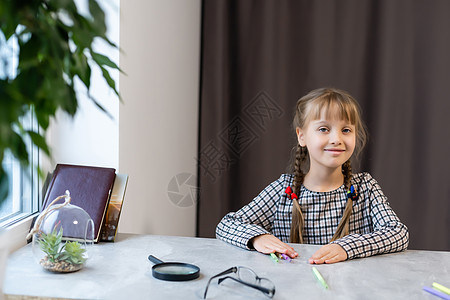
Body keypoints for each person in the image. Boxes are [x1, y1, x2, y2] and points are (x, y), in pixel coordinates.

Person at [216, 87, 409, 264]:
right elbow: (227, 224)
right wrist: (257, 237)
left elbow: (398, 233)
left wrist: (347, 247)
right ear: (302, 136)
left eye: (346, 130)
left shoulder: (365, 187)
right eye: (324, 129)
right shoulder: (283, 190)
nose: (336, 139)